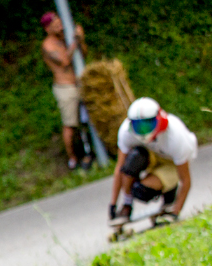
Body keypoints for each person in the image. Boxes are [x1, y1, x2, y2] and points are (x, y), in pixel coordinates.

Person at [109, 97, 197, 225]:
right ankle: (127, 206)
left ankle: (169, 194)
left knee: (143, 191)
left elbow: (186, 180)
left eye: (148, 125)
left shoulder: (176, 136)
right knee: (134, 159)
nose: (144, 131)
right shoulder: (126, 132)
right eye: (139, 127)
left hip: (172, 163)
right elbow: (120, 168)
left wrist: (175, 213)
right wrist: (112, 205)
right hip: (152, 155)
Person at [41, 11, 90, 171]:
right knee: (70, 124)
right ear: (48, 28)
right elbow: (64, 61)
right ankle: (73, 158)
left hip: (78, 83)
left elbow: (83, 54)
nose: (60, 26)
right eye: (55, 24)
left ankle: (88, 152)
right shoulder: (48, 45)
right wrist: (75, 41)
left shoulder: (65, 39)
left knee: (85, 120)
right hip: (65, 88)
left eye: (60, 22)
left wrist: (80, 40)